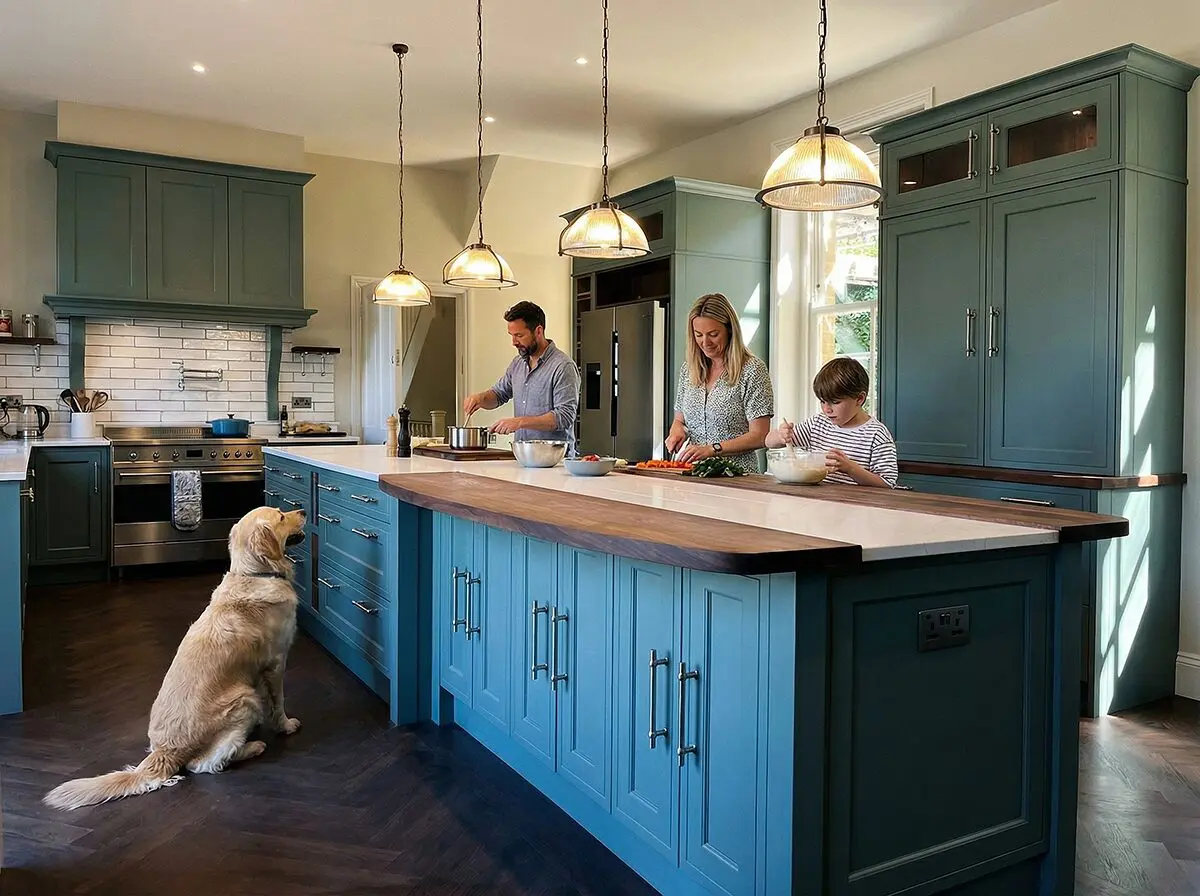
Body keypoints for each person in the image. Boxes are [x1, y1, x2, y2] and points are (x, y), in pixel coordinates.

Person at [666, 293, 773, 473]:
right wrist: (676, 429)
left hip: (739, 477)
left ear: (730, 330)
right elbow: (679, 418)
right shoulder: (688, 370)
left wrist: (711, 449)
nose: (705, 342)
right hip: (694, 474)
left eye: (713, 334)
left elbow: (760, 436)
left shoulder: (752, 370)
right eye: (698, 334)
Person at [462, 301, 581, 452]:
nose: (513, 342)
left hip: (556, 462)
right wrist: (480, 398)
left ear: (538, 331)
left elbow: (564, 417)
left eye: (519, 335)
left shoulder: (563, 366)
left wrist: (520, 422)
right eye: (511, 335)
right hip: (523, 457)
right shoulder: (517, 363)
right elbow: (499, 394)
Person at [766, 356, 897, 488]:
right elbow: (768, 442)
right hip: (817, 502)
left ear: (859, 399)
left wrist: (850, 468)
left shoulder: (877, 435)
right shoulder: (817, 424)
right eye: (822, 401)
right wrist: (781, 436)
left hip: (857, 505)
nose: (827, 409)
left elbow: (887, 483)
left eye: (835, 402)